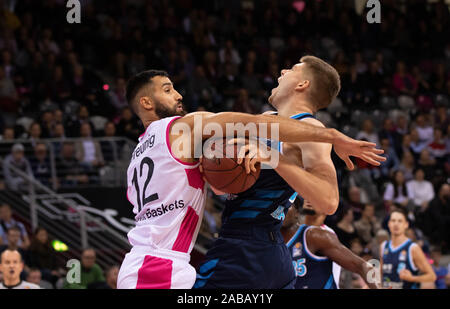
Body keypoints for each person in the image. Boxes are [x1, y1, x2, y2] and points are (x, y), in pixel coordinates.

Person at [117, 69, 384, 289]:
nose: (178, 95)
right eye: (167, 89)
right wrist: (333, 137)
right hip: (162, 267)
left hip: (180, 259)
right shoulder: (182, 127)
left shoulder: (138, 154)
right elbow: (252, 124)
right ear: (146, 103)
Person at [194, 56, 385, 289]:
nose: (283, 70)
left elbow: (329, 201)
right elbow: (225, 183)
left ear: (302, 84)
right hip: (261, 252)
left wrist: (273, 157)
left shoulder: (312, 129)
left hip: (246, 250)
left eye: (292, 69)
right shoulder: (264, 121)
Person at [281, 197, 380, 289]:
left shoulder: (320, 235)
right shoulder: (270, 244)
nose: (282, 210)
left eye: (287, 205)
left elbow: (361, 265)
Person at [380, 208, 436, 289]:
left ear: (406, 224)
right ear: (389, 224)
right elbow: (381, 273)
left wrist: (412, 278)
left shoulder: (413, 248)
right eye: (393, 220)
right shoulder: (383, 246)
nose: (396, 224)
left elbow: (432, 276)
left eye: (400, 221)